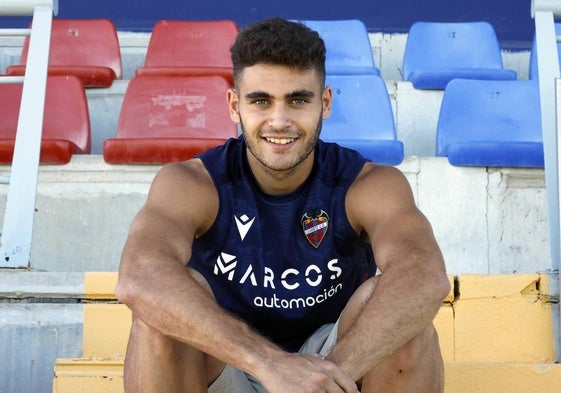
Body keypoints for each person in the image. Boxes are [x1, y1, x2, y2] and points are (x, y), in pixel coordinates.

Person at [115, 17, 450, 393]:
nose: (279, 120)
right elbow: (139, 278)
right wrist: (272, 365)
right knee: (161, 314)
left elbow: (425, 277)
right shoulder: (193, 183)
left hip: (334, 363)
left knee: (399, 307)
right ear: (234, 104)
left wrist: (319, 378)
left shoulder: (367, 184)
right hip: (228, 361)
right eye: (260, 101)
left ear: (324, 103)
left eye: (297, 100)